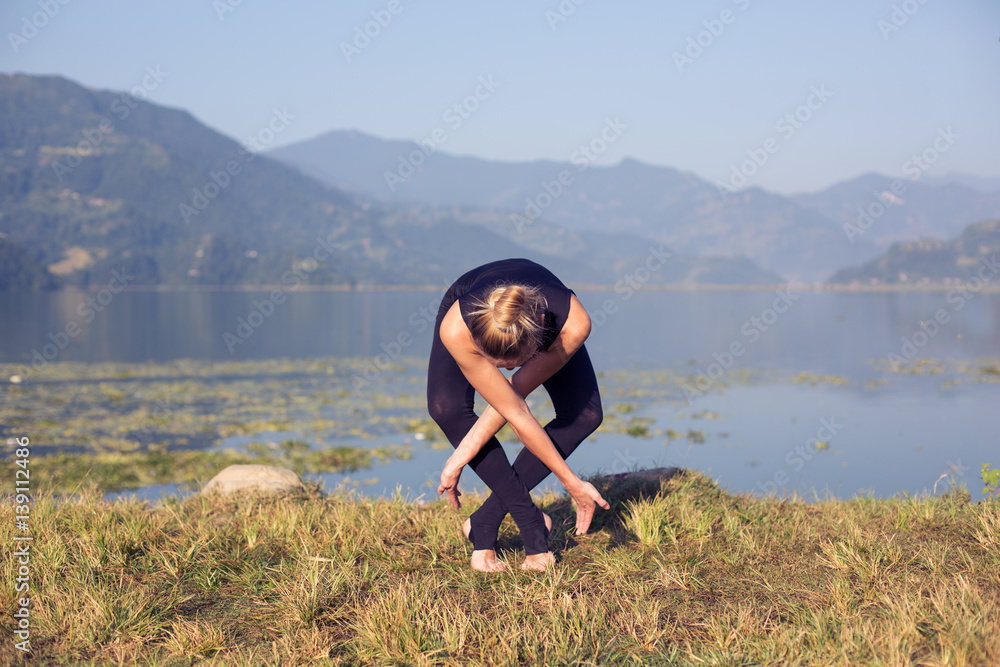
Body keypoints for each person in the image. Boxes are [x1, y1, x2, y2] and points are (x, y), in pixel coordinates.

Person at [427, 258, 609, 572]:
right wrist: (462, 452)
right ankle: (531, 528)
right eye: (496, 364)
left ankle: (484, 522)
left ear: (535, 345)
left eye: (515, 363)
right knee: (446, 408)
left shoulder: (572, 325)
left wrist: (573, 484)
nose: (509, 370)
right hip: (467, 299)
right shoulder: (457, 329)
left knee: (586, 415)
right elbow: (510, 408)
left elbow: (517, 407)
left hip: (551, 324)